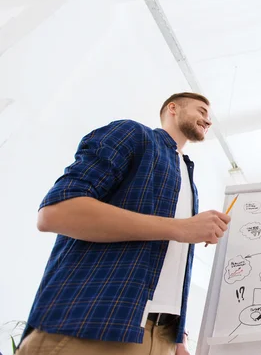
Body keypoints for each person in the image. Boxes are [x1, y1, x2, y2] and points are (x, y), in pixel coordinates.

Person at [17, 92, 231, 355]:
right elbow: (57, 212)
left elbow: (167, 266)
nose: (207, 120)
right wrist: (181, 228)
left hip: (159, 339)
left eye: (209, 117)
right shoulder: (133, 134)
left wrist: (177, 339)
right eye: (201, 111)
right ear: (173, 108)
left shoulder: (189, 179)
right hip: (91, 328)